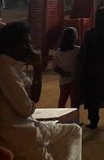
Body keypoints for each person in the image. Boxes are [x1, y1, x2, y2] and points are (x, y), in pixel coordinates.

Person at [0, 21, 83, 159]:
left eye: (29, 43)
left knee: (74, 130)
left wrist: (38, 68)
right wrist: (28, 99)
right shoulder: (4, 68)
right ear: (9, 46)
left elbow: (35, 97)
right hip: (21, 137)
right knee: (71, 133)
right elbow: (26, 109)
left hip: (30, 127)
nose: (29, 48)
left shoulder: (14, 65)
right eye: (24, 44)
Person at [53, 27, 81, 108]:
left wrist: (63, 73)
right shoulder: (77, 50)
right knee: (74, 102)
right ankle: (75, 119)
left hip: (63, 80)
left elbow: (54, 66)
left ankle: (60, 117)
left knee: (62, 100)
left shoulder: (58, 51)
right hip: (74, 79)